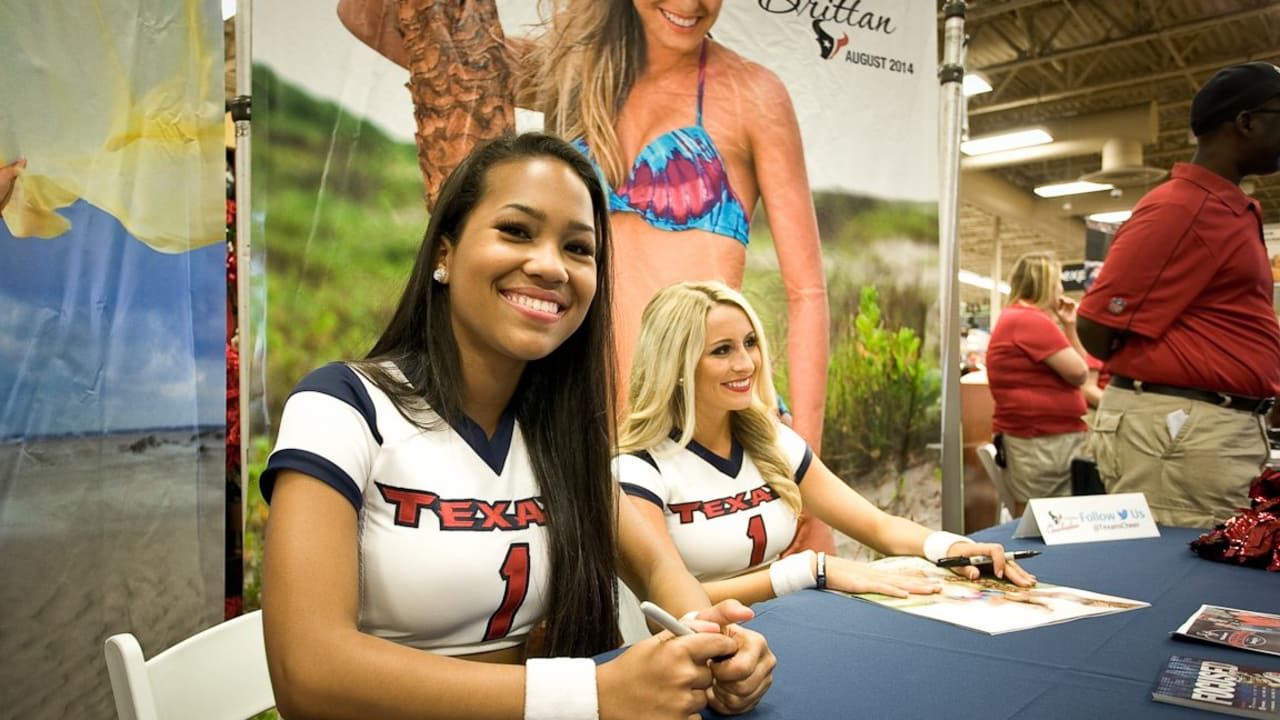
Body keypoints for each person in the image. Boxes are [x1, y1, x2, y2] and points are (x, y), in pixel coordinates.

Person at [259, 133, 774, 719]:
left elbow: (657, 565)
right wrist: (591, 696)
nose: (551, 266)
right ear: (443, 255)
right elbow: (309, 674)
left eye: (578, 248)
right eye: (517, 231)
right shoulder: (342, 405)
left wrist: (712, 642)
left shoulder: (558, 435)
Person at [335, 0, 837, 554]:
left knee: (750, 628)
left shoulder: (751, 95)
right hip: (584, 431)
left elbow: (807, 293)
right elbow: (365, 16)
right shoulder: (571, 74)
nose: (691, 5)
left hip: (710, 435)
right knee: (606, 630)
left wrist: (805, 472)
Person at [613, 281, 1036, 606]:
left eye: (750, 342)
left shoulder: (771, 440)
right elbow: (668, 598)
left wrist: (952, 548)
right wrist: (807, 571)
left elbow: (875, 526)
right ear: (678, 365)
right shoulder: (637, 468)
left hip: (776, 628)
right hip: (680, 659)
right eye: (721, 350)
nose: (745, 363)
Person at [1076, 62, 1280, 528]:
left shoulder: (1223, 207)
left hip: (1198, 428)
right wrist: (1163, 375)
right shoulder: (1184, 206)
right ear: (1246, 121)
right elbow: (1096, 322)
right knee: (1182, 578)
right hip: (1181, 432)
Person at [985, 252, 1090, 517]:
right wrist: (1070, 326)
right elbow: (1079, 373)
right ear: (1045, 283)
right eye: (1058, 282)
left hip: (1039, 439)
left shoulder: (1018, 318)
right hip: (1042, 442)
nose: (1062, 290)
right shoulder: (1029, 320)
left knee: (1041, 515)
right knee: (1045, 517)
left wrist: (1069, 324)